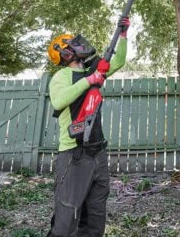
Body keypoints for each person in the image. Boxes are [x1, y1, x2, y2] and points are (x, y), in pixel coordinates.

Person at [46, 17, 129, 237]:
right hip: (74, 155)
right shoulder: (60, 77)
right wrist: (90, 80)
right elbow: (58, 101)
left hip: (98, 153)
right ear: (66, 54)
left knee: (95, 214)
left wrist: (123, 35)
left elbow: (119, 61)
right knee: (67, 215)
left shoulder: (93, 69)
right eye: (72, 43)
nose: (79, 44)